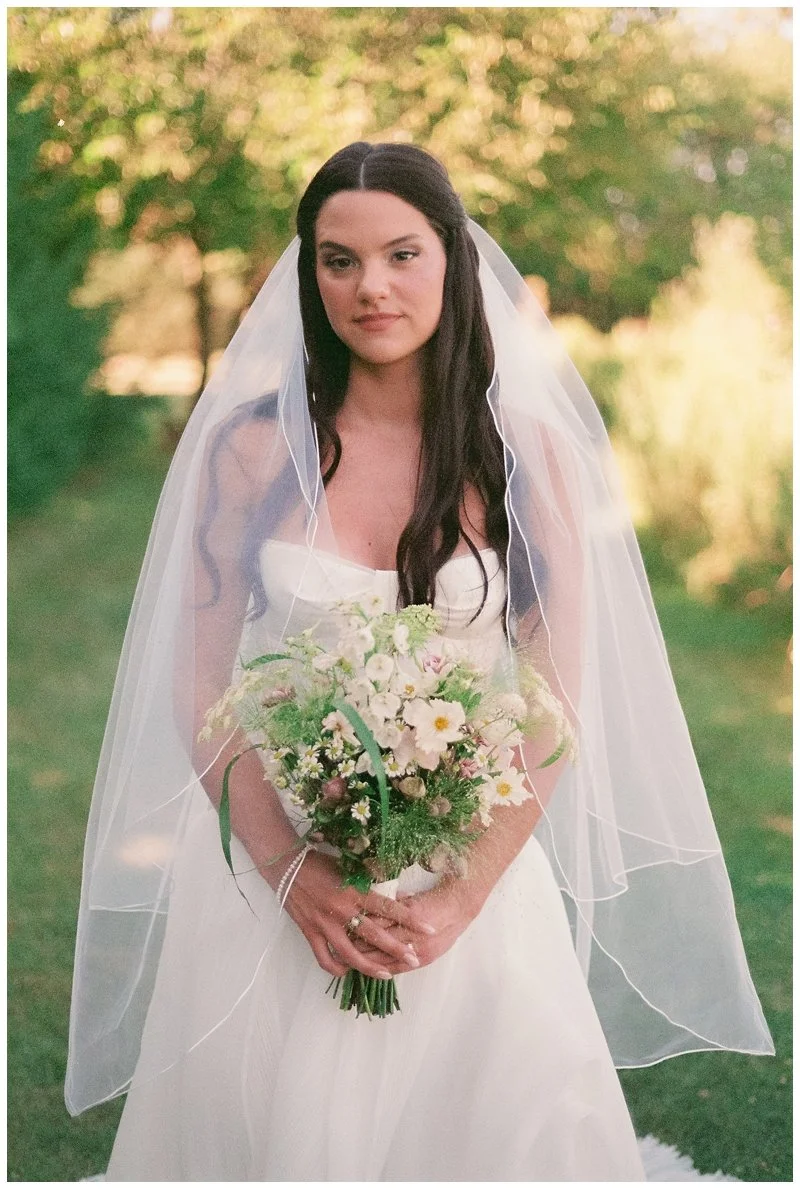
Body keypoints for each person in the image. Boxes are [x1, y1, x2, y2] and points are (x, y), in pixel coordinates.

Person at [65, 142, 773, 1181]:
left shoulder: (523, 457)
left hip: (465, 878)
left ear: (450, 260)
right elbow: (199, 682)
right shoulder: (250, 451)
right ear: (308, 277)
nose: (371, 287)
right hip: (267, 877)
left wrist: (458, 895)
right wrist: (293, 873)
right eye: (337, 260)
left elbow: (553, 701)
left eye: (400, 254)